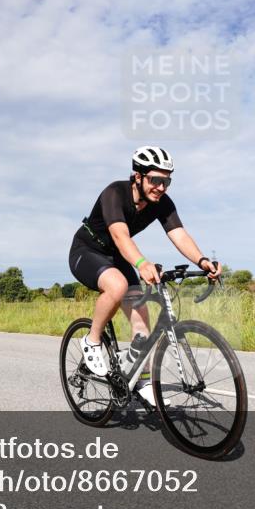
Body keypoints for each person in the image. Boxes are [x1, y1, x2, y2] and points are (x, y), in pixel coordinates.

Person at [68, 146, 221, 407]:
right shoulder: (114, 193)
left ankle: (143, 381)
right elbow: (120, 235)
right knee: (116, 287)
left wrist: (202, 260)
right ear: (137, 176)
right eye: (156, 180)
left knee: (142, 326)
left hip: (118, 257)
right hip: (87, 250)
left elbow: (179, 235)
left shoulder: (162, 203)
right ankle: (92, 340)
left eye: (167, 181)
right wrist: (141, 263)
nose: (161, 187)